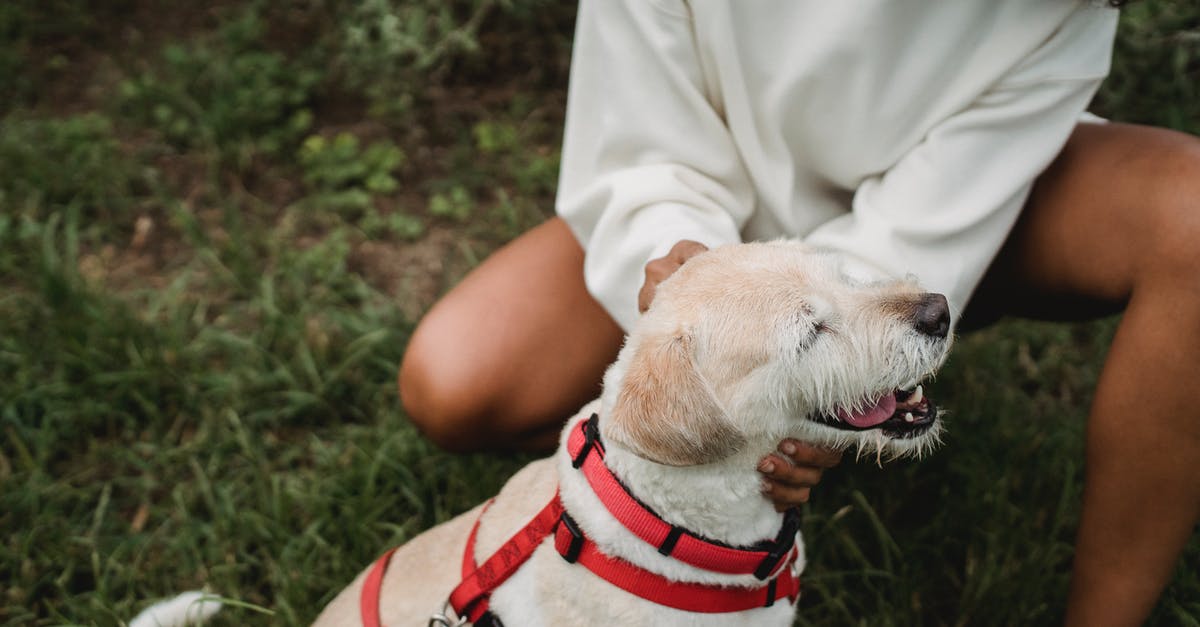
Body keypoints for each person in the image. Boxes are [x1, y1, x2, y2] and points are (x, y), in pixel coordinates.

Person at [398, 1, 1200, 625]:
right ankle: (709, 448)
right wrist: (706, 292)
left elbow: (933, 219)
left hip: (965, 218)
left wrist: (826, 360)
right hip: (706, 224)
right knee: (455, 378)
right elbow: (646, 146)